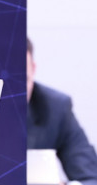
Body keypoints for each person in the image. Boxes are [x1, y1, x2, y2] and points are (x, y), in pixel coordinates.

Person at [27, 38, 97, 185]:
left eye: (23, 80)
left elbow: (90, 177)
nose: (13, 94)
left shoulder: (55, 107)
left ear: (33, 69)